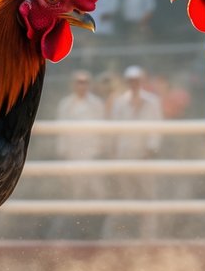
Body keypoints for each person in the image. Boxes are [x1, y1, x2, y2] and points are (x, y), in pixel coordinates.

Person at [105, 66, 163, 239]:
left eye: (136, 80)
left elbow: (156, 128)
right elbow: (114, 130)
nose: (134, 84)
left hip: (144, 156)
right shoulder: (120, 102)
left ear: (141, 81)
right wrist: (113, 153)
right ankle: (126, 233)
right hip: (125, 155)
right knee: (126, 195)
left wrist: (151, 149)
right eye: (131, 80)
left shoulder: (152, 102)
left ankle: (148, 235)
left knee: (147, 195)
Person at [53, 70, 107, 238]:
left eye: (85, 82)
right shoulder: (66, 105)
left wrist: (100, 151)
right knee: (76, 194)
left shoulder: (97, 104)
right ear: (73, 84)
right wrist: (63, 154)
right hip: (73, 156)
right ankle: (76, 231)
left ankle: (96, 231)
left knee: (98, 193)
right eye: (79, 82)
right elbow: (61, 132)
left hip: (92, 156)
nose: (81, 85)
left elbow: (102, 130)